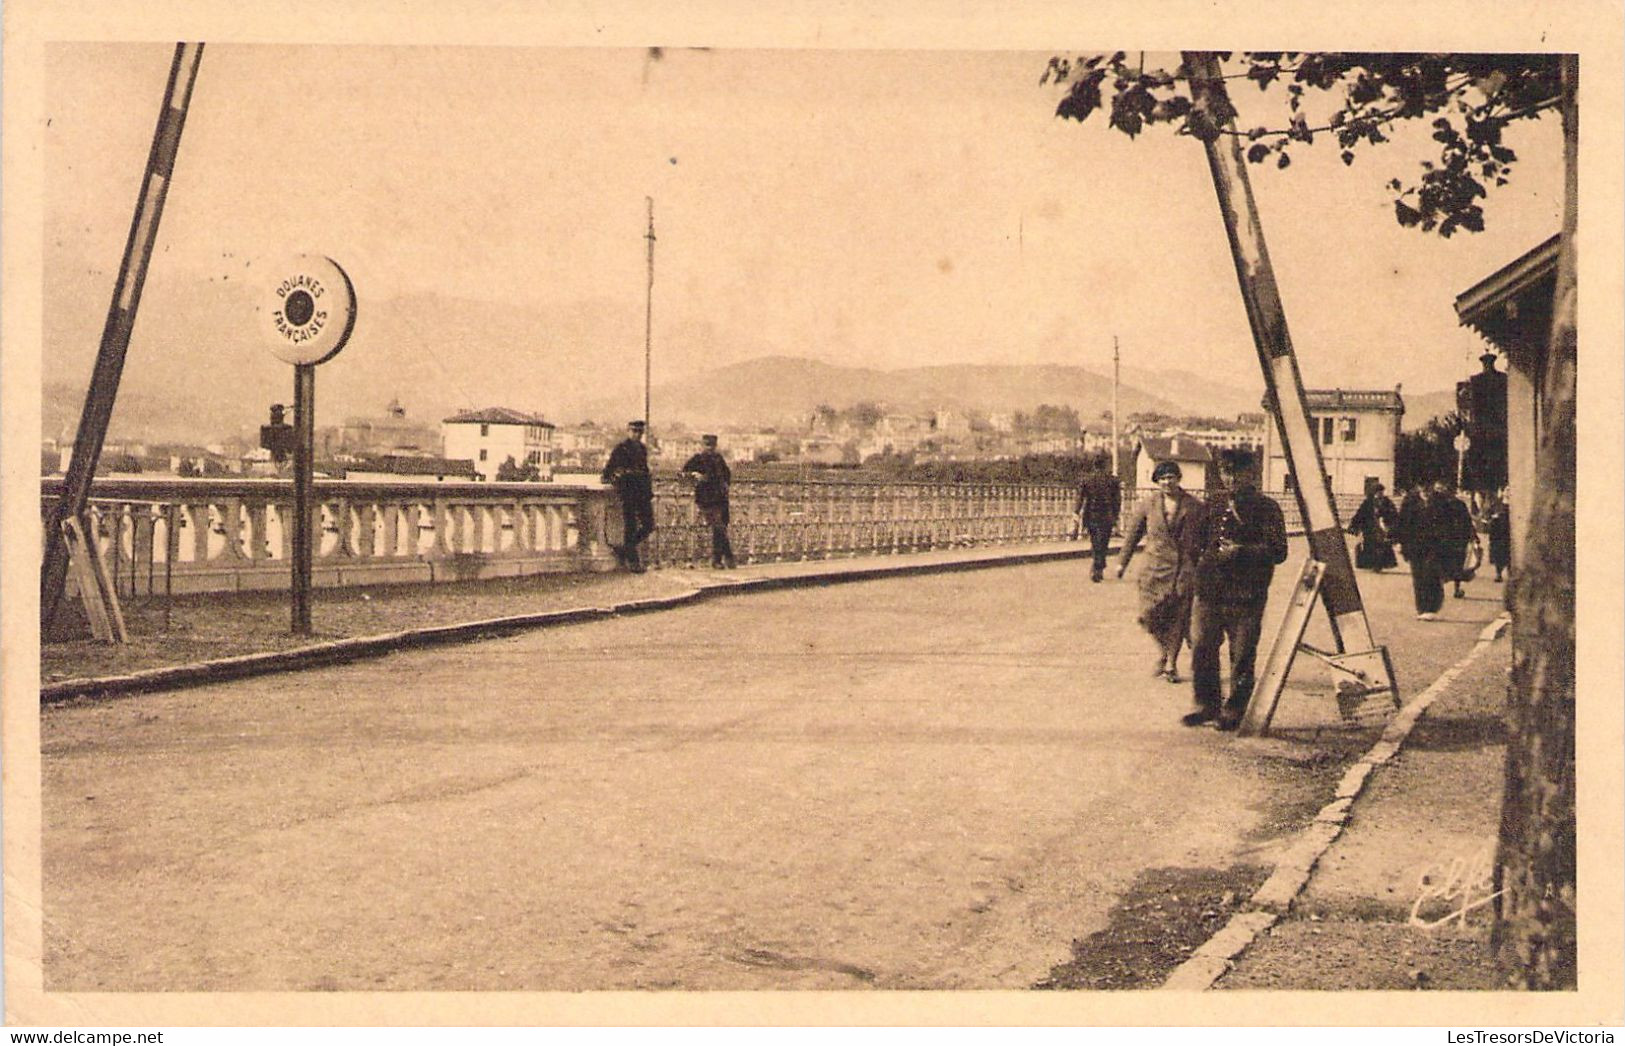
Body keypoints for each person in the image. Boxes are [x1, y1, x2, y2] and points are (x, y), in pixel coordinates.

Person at [1184, 448, 1288, 730]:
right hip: (1210, 592)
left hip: (1247, 594)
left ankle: (1236, 709)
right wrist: (1206, 564)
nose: (1230, 479)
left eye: (1237, 473)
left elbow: (1279, 551)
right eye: (1225, 473)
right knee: (1203, 647)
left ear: (1250, 474)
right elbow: (1193, 545)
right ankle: (1206, 704)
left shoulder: (1267, 508)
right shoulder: (1211, 506)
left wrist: (1242, 552)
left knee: (1242, 653)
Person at [1116, 460, 1205, 683]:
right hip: (1154, 569)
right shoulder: (1148, 504)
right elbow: (1133, 535)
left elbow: (1204, 540)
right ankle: (1164, 652)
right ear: (1157, 481)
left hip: (1183, 570)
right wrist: (1121, 563)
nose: (1167, 482)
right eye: (1163, 478)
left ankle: (1171, 665)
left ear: (1178, 479)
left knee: (1177, 618)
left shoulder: (1194, 506)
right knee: (1148, 615)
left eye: (1171, 477)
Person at [601, 419, 655, 573]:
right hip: (628, 492)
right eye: (634, 431)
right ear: (628, 431)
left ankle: (624, 550)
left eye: (640, 432)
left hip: (643, 493)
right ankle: (633, 561)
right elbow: (607, 473)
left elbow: (645, 471)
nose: (637, 435)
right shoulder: (621, 449)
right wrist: (619, 479)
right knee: (630, 527)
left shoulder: (643, 449)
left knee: (649, 526)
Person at [682, 434, 737, 569]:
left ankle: (720, 559)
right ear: (702, 445)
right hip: (706, 499)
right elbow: (684, 474)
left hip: (720, 498)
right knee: (718, 527)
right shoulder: (698, 459)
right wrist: (696, 476)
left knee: (721, 527)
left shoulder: (719, 459)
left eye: (712, 445)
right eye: (707, 445)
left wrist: (725, 485)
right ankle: (724, 558)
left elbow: (727, 474)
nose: (710, 448)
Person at [1396, 481, 1445, 619]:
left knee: (1431, 573)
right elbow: (1402, 523)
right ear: (1418, 487)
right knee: (1418, 576)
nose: (1426, 491)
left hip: (1435, 545)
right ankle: (1422, 608)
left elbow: (1448, 522)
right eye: (1423, 488)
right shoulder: (1410, 501)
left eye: (1428, 488)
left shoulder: (1441, 500)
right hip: (1414, 545)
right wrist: (1400, 542)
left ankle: (1432, 608)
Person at [1074, 464, 1122, 583]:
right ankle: (1099, 565)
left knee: (1095, 541)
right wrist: (1116, 515)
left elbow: (1080, 497)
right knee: (1104, 542)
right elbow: (1117, 500)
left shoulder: (1087, 479)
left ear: (1093, 466)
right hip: (1107, 515)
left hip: (1091, 515)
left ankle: (1097, 566)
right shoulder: (1113, 480)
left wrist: (1076, 511)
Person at [1434, 479, 1479, 599]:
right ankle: (1456, 589)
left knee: (1449, 564)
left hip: (1452, 538)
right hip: (1456, 538)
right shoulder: (1456, 504)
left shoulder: (1444, 504)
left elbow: (1467, 521)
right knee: (1456, 564)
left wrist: (1473, 535)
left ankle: (1449, 588)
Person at [1348, 478, 1399, 571]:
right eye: (1378, 492)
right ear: (1375, 492)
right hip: (1370, 529)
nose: (1380, 494)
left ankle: (1379, 565)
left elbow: (1394, 514)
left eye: (1382, 492)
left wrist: (1391, 525)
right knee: (1371, 547)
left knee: (1382, 546)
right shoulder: (1368, 502)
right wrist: (1354, 527)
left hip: (1383, 529)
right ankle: (1373, 565)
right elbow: (1360, 515)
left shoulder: (1387, 502)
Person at [1485, 489, 1511, 583]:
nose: (1509, 492)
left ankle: (1510, 574)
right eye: (1507, 490)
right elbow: (1487, 515)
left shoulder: (1516, 505)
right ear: (1503, 492)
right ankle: (1498, 574)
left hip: (1509, 534)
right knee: (1498, 555)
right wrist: (1492, 518)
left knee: (1510, 554)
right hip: (1498, 533)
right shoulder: (1497, 504)